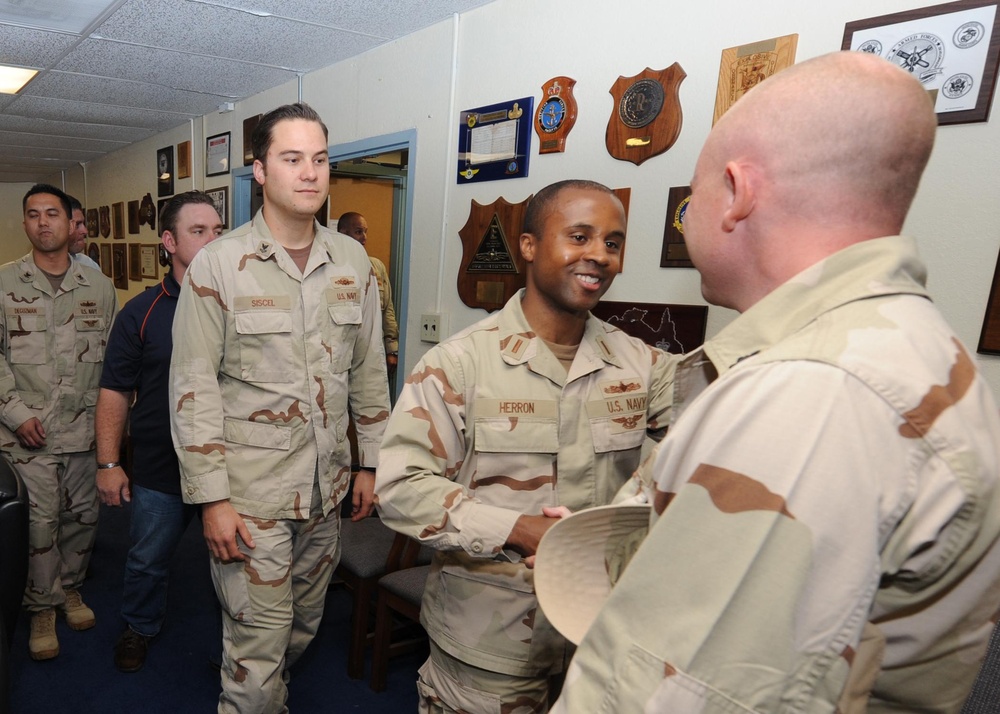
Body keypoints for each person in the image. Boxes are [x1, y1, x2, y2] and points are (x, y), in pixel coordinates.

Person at [539, 51, 1000, 712]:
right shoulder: (895, 352)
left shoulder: (816, 392)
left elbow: (681, 691)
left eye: (690, 195)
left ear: (737, 191)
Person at [374, 179, 676, 713]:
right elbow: (401, 488)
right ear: (530, 246)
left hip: (598, 641)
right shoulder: (461, 363)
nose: (599, 256)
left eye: (612, 242)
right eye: (579, 236)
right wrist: (520, 529)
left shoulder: (640, 364)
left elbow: (719, 426)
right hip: (493, 644)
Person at [168, 102, 391, 713]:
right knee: (257, 648)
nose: (310, 173)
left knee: (300, 628)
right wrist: (211, 499)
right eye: (292, 159)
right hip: (250, 501)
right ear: (260, 170)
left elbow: (369, 371)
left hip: (325, 494)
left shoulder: (352, 263)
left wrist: (370, 463)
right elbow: (192, 388)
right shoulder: (219, 265)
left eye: (319, 159)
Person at [96, 191, 224, 673]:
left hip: (230, 466)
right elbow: (113, 391)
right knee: (148, 558)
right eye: (198, 231)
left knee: (235, 563)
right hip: (159, 464)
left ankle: (244, 648)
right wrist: (109, 464)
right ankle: (139, 626)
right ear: (168, 241)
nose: (212, 240)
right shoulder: (142, 312)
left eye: (217, 230)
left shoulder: (242, 306)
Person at [0, 183, 118, 660]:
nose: (44, 222)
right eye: (34, 214)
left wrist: (112, 432)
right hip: (25, 434)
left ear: (72, 224)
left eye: (54, 213)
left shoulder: (99, 287)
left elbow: (114, 363)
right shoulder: (5, 284)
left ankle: (71, 587)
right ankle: (41, 605)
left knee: (82, 519)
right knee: (37, 524)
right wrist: (14, 413)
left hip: (85, 432)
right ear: (25, 223)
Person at [337, 211, 399, 375]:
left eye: (365, 231)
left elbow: (387, 310)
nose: (364, 237)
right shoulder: (330, 267)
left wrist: (391, 349)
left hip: (371, 351)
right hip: (340, 354)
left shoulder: (376, 266)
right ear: (343, 233)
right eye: (358, 232)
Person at [67, 195, 100, 270]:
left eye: (83, 223)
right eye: (77, 225)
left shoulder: (88, 265)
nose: (85, 231)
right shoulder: (35, 270)